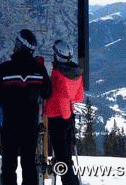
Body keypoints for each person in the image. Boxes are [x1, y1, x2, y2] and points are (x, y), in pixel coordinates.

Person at [0, 29, 51, 185]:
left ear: (20, 46)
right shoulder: (39, 69)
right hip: (30, 126)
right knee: (29, 166)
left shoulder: (5, 68)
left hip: (9, 126)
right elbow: (47, 93)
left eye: (16, 43)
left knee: (8, 167)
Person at [45, 40, 84, 185]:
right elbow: (79, 97)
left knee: (62, 160)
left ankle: (70, 182)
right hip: (69, 118)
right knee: (67, 157)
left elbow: (61, 98)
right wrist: (69, 114)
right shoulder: (76, 73)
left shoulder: (57, 75)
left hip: (58, 119)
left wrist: (65, 115)